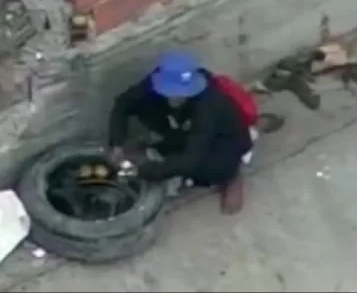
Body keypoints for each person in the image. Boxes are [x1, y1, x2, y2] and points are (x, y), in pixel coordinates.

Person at [107, 51, 253, 215]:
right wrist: (117, 143)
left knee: (207, 167)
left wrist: (141, 172)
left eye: (181, 93)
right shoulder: (158, 79)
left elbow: (189, 160)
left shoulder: (208, 105)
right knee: (145, 106)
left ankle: (233, 176)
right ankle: (163, 149)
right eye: (171, 91)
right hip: (184, 127)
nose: (175, 96)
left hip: (219, 143)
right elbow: (123, 103)